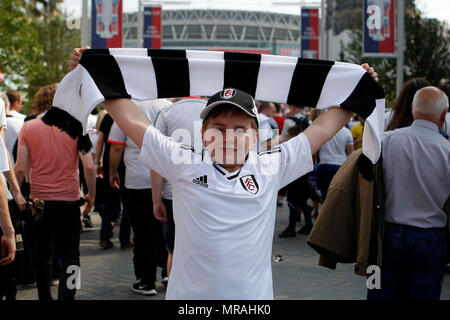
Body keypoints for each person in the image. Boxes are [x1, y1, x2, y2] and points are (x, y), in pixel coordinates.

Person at [69, 49, 378, 299]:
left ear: (255, 136)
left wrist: (357, 88)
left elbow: (323, 127)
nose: (229, 137)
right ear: (203, 134)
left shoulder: (272, 166)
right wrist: (97, 75)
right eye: (219, 128)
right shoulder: (183, 163)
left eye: (240, 129)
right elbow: (132, 121)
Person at [14, 84, 96, 300]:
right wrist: (91, 195)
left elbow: (21, 168)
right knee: (72, 256)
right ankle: (68, 296)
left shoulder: (29, 127)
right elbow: (89, 166)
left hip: (39, 202)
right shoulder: (76, 127)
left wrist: (17, 197)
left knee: (42, 256)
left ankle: (44, 297)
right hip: (69, 200)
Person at [367, 86, 449, 300]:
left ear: (413, 108)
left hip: (384, 237)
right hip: (430, 240)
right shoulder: (447, 151)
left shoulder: (385, 141)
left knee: (377, 293)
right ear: (443, 114)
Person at [109, 99, 171, 296]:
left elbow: (117, 146)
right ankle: (167, 272)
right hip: (165, 178)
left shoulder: (126, 108)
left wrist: (112, 171)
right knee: (164, 229)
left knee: (143, 232)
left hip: (137, 180)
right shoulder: (169, 106)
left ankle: (146, 280)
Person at [151, 97, 206, 278]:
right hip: (208, 192)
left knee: (174, 250)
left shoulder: (168, 113)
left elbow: (157, 160)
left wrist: (156, 199)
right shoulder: (212, 109)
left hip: (174, 193)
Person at [278, 125, 314, 237]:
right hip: (303, 181)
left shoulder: (293, 149)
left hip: (296, 182)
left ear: (293, 136)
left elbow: (289, 168)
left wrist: (282, 189)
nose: (287, 138)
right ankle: (309, 225)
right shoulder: (304, 147)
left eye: (289, 136)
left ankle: (292, 228)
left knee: (292, 204)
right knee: (302, 203)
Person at [317, 123, 354, 201]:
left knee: (325, 197)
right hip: (340, 166)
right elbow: (351, 154)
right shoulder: (347, 132)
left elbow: (316, 150)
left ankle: (326, 212)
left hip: (324, 165)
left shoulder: (323, 131)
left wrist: (314, 163)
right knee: (338, 198)